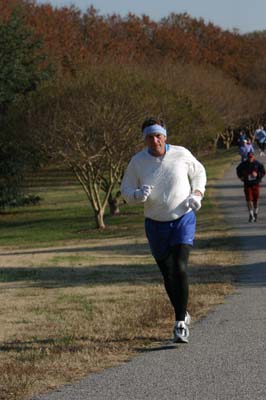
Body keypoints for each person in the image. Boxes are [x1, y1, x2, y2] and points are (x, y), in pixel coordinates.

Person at [120, 117, 207, 343]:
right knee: (167, 273)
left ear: (165, 136)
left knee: (180, 267)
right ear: (145, 139)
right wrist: (136, 196)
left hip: (182, 218)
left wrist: (197, 193)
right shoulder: (138, 161)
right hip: (155, 224)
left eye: (158, 135)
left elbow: (199, 173)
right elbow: (126, 189)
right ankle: (182, 311)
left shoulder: (181, 153)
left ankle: (179, 322)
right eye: (150, 136)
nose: (155, 140)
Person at [236, 151, 265, 222]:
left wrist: (257, 174)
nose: (250, 159)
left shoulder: (258, 164)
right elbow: (238, 170)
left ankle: (255, 213)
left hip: (255, 184)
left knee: (256, 200)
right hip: (247, 185)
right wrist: (241, 177)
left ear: (254, 157)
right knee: (249, 200)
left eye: (251, 157)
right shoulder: (244, 164)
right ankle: (251, 215)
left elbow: (263, 172)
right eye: (249, 157)